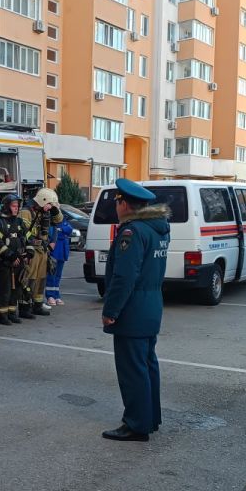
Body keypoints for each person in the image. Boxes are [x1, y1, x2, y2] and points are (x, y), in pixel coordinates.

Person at [101, 178, 170, 442]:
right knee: (147, 365)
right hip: (151, 306)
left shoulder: (132, 232)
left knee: (133, 370)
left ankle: (136, 424)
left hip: (133, 309)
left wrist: (111, 310)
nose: (116, 207)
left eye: (117, 201)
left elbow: (124, 277)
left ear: (125, 204)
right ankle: (150, 417)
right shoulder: (157, 228)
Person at [19, 188, 62, 317]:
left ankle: (37, 304)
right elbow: (23, 231)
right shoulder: (27, 212)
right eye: (49, 204)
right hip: (31, 250)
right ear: (43, 201)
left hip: (43, 250)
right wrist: (33, 244)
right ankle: (25, 306)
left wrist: (54, 210)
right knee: (29, 278)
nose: (49, 208)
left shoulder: (44, 212)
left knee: (41, 279)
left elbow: (58, 221)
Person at [0, 193, 26, 325]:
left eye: (17, 206)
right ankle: (1, 315)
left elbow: (26, 237)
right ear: (6, 207)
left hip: (18, 261)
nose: (16, 208)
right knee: (4, 289)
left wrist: (28, 252)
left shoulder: (19, 221)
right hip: (5, 262)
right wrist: (10, 255)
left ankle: (11, 313)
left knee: (16, 289)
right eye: (13, 206)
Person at [46, 211, 74, 306]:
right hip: (54, 251)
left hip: (62, 252)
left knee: (58, 275)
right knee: (51, 274)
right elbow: (51, 233)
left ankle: (56, 296)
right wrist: (61, 230)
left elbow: (69, 229)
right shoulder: (51, 220)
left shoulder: (63, 219)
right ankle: (50, 296)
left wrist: (60, 229)